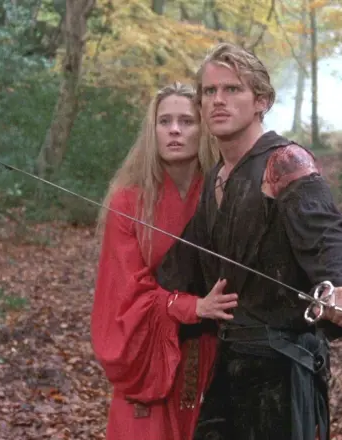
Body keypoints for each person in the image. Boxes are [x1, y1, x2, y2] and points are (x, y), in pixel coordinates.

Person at [155, 43, 342, 440]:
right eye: (209, 91)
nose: (218, 100)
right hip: (231, 365)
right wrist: (140, 292)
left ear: (262, 101)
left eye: (232, 89)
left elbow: (326, 234)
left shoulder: (286, 162)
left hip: (281, 371)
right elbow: (182, 267)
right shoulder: (217, 175)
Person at [90, 82, 239, 440]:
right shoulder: (127, 201)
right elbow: (126, 290)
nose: (174, 130)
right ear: (152, 131)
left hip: (218, 349)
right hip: (152, 352)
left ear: (204, 129)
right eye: (164, 121)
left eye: (186, 121)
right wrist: (191, 306)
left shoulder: (225, 192)